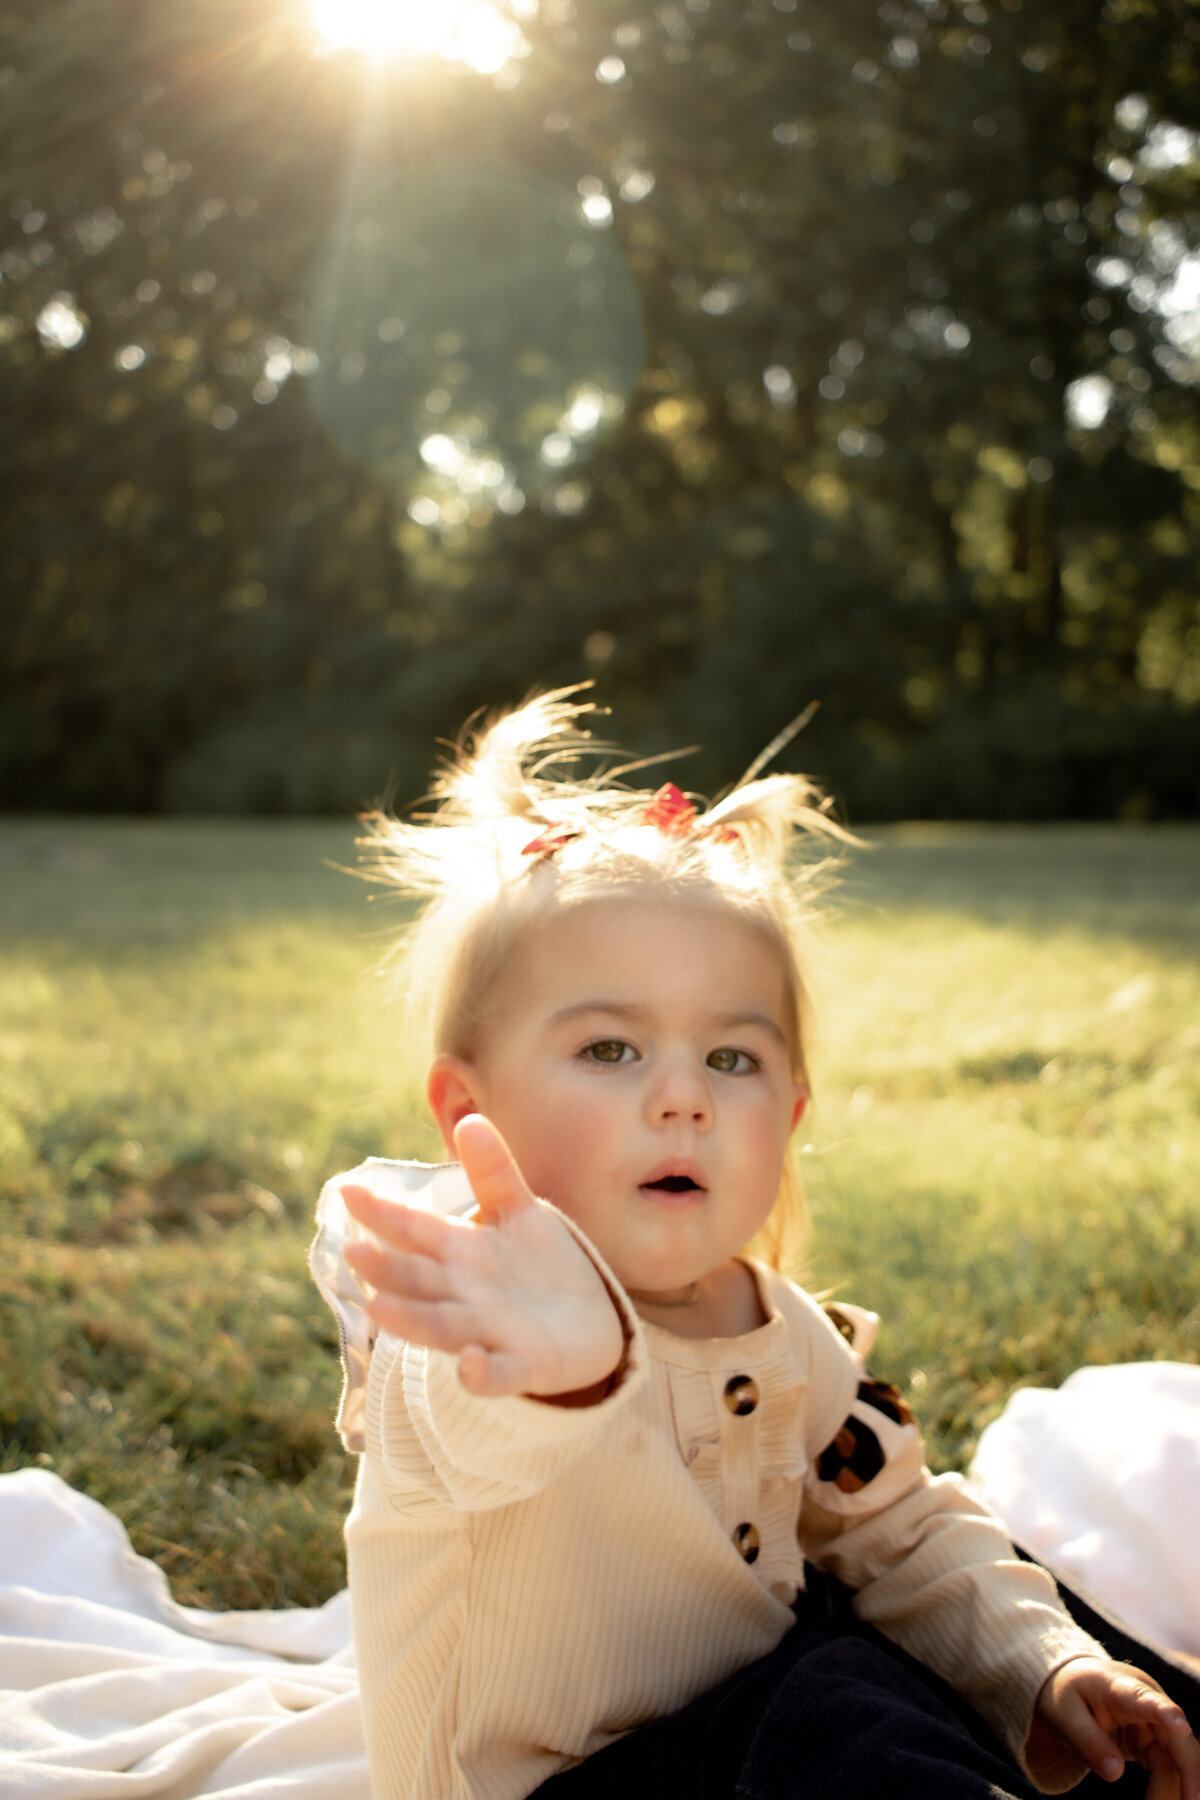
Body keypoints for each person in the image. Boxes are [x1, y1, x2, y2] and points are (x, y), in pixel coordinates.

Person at [311, 690, 1199, 1800]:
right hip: (563, 1784)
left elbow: (903, 1529)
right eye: (609, 1049)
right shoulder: (469, 1310)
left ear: (789, 1115)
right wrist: (565, 1374)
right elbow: (472, 1431)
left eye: (731, 1060)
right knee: (837, 1699)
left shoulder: (780, 1329)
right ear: (465, 1111)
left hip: (765, 1734)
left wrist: (1049, 1663)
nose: (682, 1096)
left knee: (1046, 1656)